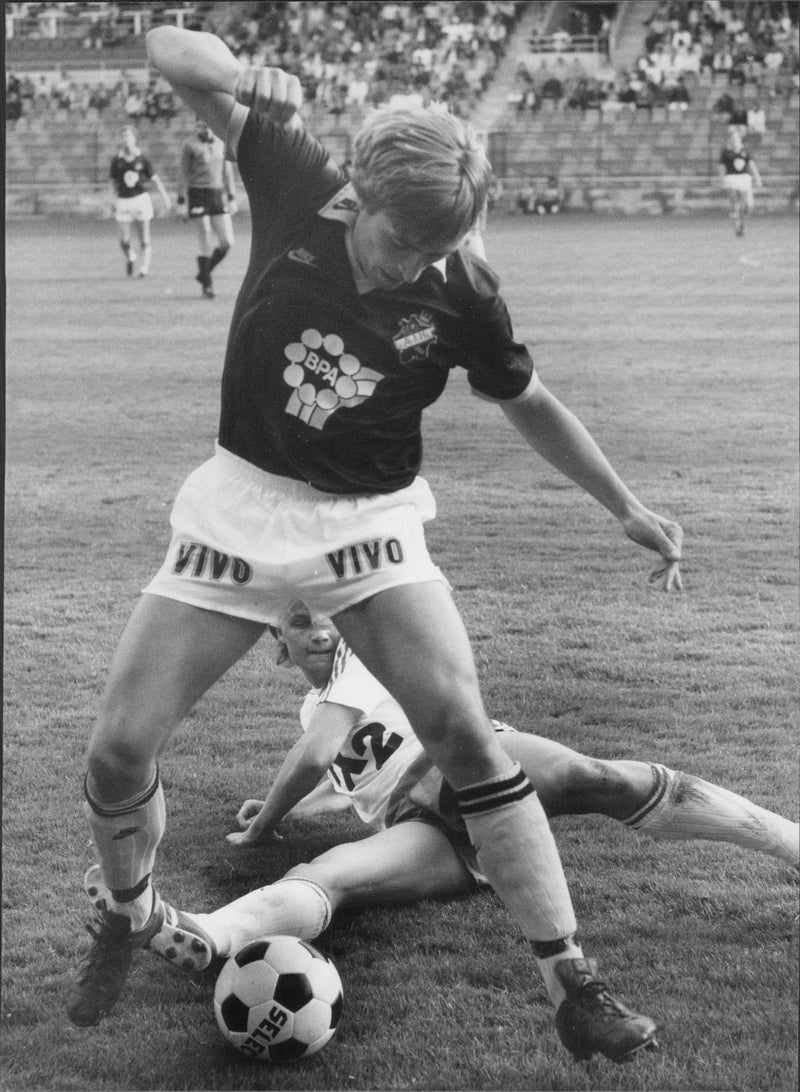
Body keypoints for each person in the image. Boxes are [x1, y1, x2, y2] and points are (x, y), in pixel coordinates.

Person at [67, 26, 685, 1064]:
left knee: (463, 732)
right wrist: (241, 78)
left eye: (441, 248)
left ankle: (570, 979)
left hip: (368, 527)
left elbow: (522, 399)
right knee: (119, 749)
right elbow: (166, 49)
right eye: (406, 243)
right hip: (239, 506)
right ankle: (128, 916)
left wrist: (619, 504)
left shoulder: (462, 288)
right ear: (357, 193)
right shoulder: (296, 175)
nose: (422, 265)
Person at [82, 600, 798, 1034]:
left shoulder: (364, 659)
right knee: (330, 876)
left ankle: (790, 842)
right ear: (277, 645)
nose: (321, 629)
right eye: (298, 621)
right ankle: (205, 936)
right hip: (416, 818)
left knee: (594, 778)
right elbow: (348, 766)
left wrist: (267, 819)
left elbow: (317, 753)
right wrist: (306, 800)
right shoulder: (314, 704)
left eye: (325, 613)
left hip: (477, 768)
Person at [178, 117, 239, 298]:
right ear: (197, 126)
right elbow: (183, 172)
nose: (205, 128)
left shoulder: (221, 142)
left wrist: (232, 196)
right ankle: (208, 285)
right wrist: (181, 201)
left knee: (227, 242)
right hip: (198, 193)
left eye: (208, 124)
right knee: (204, 234)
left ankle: (204, 273)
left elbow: (227, 171)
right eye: (202, 125)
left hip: (217, 194)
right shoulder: (189, 145)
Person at [109, 125, 171, 277]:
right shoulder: (116, 160)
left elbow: (155, 179)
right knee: (124, 240)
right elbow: (112, 183)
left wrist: (165, 197)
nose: (126, 139)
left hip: (140, 200)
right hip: (123, 201)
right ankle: (131, 256)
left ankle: (144, 268)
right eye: (123, 136)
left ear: (134, 138)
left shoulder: (142, 159)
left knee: (144, 238)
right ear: (120, 139)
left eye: (128, 136)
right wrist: (112, 200)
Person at [719, 128, 763, 236]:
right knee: (735, 205)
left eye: (736, 138)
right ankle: (737, 228)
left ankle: (742, 223)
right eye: (732, 138)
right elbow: (721, 167)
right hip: (731, 179)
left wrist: (757, 178)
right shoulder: (726, 152)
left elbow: (751, 165)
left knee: (749, 205)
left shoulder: (745, 151)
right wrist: (722, 180)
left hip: (744, 178)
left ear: (739, 139)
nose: (734, 140)